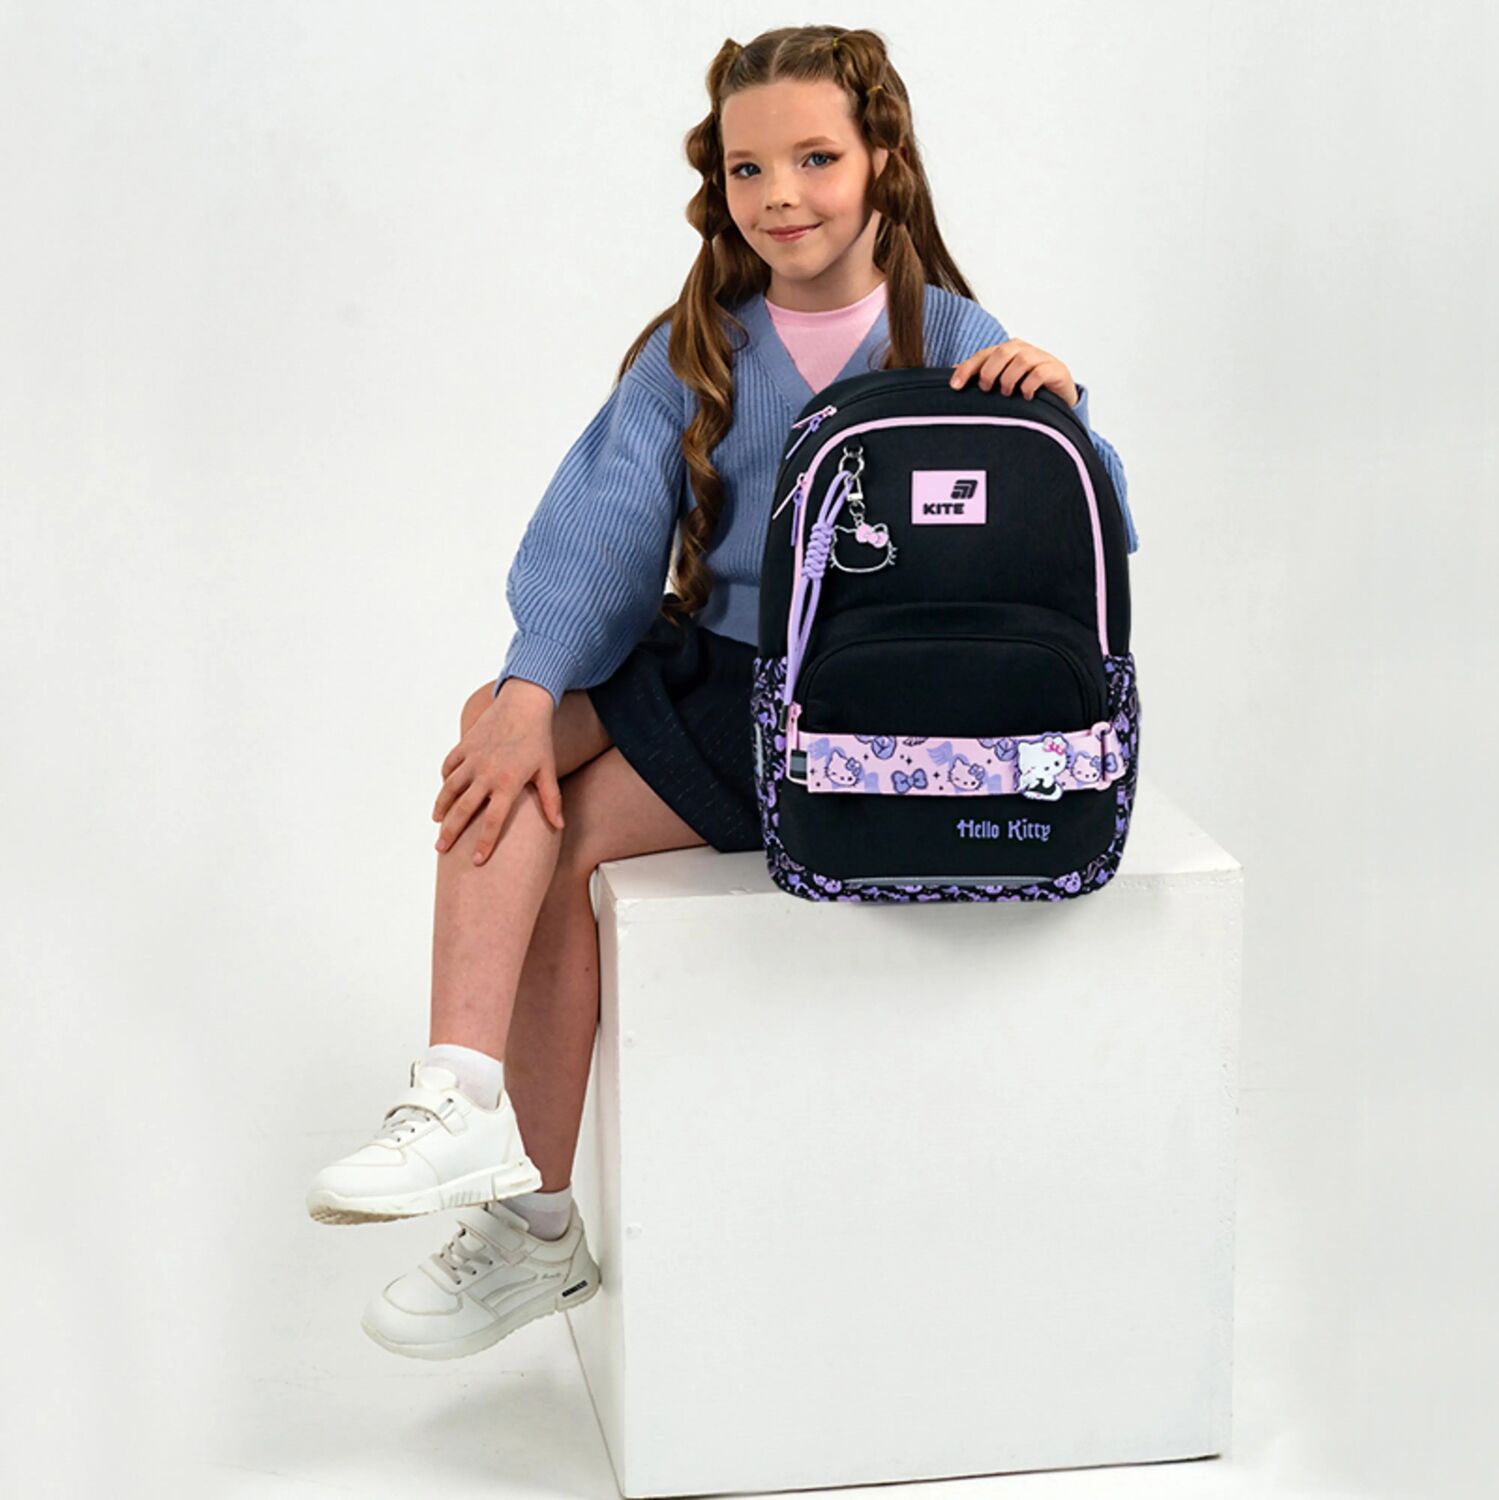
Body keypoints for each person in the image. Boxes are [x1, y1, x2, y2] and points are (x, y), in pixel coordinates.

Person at [304, 23, 1140, 1362]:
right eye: (749, 169)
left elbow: (1093, 527)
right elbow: (604, 528)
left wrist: (1061, 407)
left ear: (883, 163)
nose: (782, 196)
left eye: (816, 159)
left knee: (563, 828)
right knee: (497, 729)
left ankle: (529, 1222)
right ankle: (457, 1093)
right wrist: (530, 681)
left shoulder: (952, 336)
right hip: (709, 660)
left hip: (829, 706)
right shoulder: (701, 344)